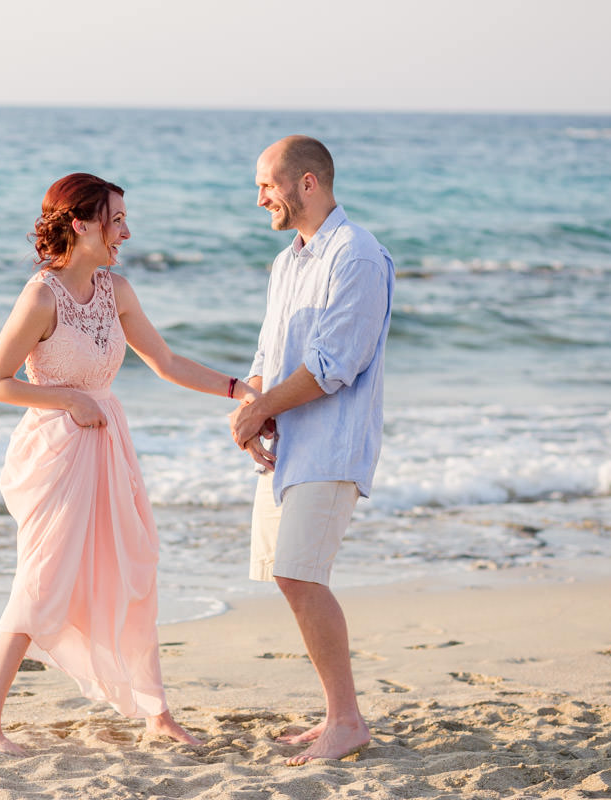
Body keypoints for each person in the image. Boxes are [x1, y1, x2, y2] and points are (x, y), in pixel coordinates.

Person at [0, 172, 258, 754]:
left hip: (108, 446)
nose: (125, 230)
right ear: (80, 223)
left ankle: (156, 712)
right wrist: (69, 398)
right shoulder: (40, 295)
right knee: (42, 578)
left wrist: (239, 388)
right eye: (115, 218)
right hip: (55, 451)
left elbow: (167, 361)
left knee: (133, 564)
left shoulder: (116, 291)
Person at [229, 136, 394, 765]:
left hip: (332, 443)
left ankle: (348, 722)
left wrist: (263, 409)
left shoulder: (357, 254)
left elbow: (334, 364)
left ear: (306, 183)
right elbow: (271, 355)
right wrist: (249, 412)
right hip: (290, 444)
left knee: (302, 573)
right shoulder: (286, 262)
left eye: (266, 185)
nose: (259, 198)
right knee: (288, 575)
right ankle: (336, 715)